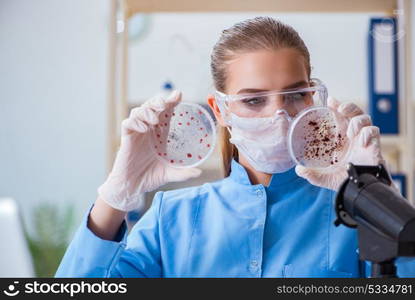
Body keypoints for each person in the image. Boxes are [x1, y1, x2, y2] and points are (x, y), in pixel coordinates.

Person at [56, 17, 415, 277]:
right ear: (221, 110)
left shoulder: (351, 219)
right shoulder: (172, 218)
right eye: (254, 100)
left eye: (295, 95)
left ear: (312, 95)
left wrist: (376, 199)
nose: (280, 115)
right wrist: (115, 194)